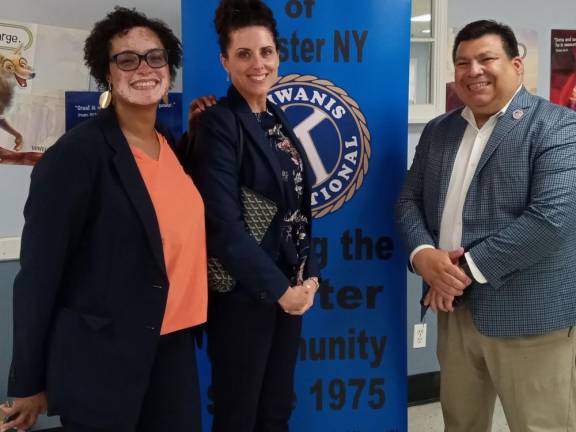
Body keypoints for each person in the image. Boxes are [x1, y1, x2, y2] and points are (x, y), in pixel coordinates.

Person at [1, 7, 207, 432]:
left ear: (169, 69)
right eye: (126, 59)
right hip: (103, 358)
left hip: (172, 347)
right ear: (107, 73)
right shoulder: (76, 155)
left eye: (155, 57)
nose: (144, 68)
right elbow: (39, 274)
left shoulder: (169, 146)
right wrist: (28, 381)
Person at [396, 20, 576, 432]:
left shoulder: (558, 127)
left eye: (485, 58)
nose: (472, 70)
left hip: (531, 317)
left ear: (515, 64)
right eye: (462, 62)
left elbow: (550, 220)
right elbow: (409, 201)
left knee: (541, 425)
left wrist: (457, 273)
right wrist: (424, 257)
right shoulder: (441, 130)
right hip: (454, 314)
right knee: (461, 423)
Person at [187, 1, 320, 431]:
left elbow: (296, 209)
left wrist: (309, 276)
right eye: (243, 54)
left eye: (265, 52)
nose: (257, 64)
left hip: (289, 290)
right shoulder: (219, 123)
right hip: (247, 298)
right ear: (225, 61)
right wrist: (281, 291)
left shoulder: (275, 119)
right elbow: (223, 226)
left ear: (278, 55)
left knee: (277, 408)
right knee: (239, 413)